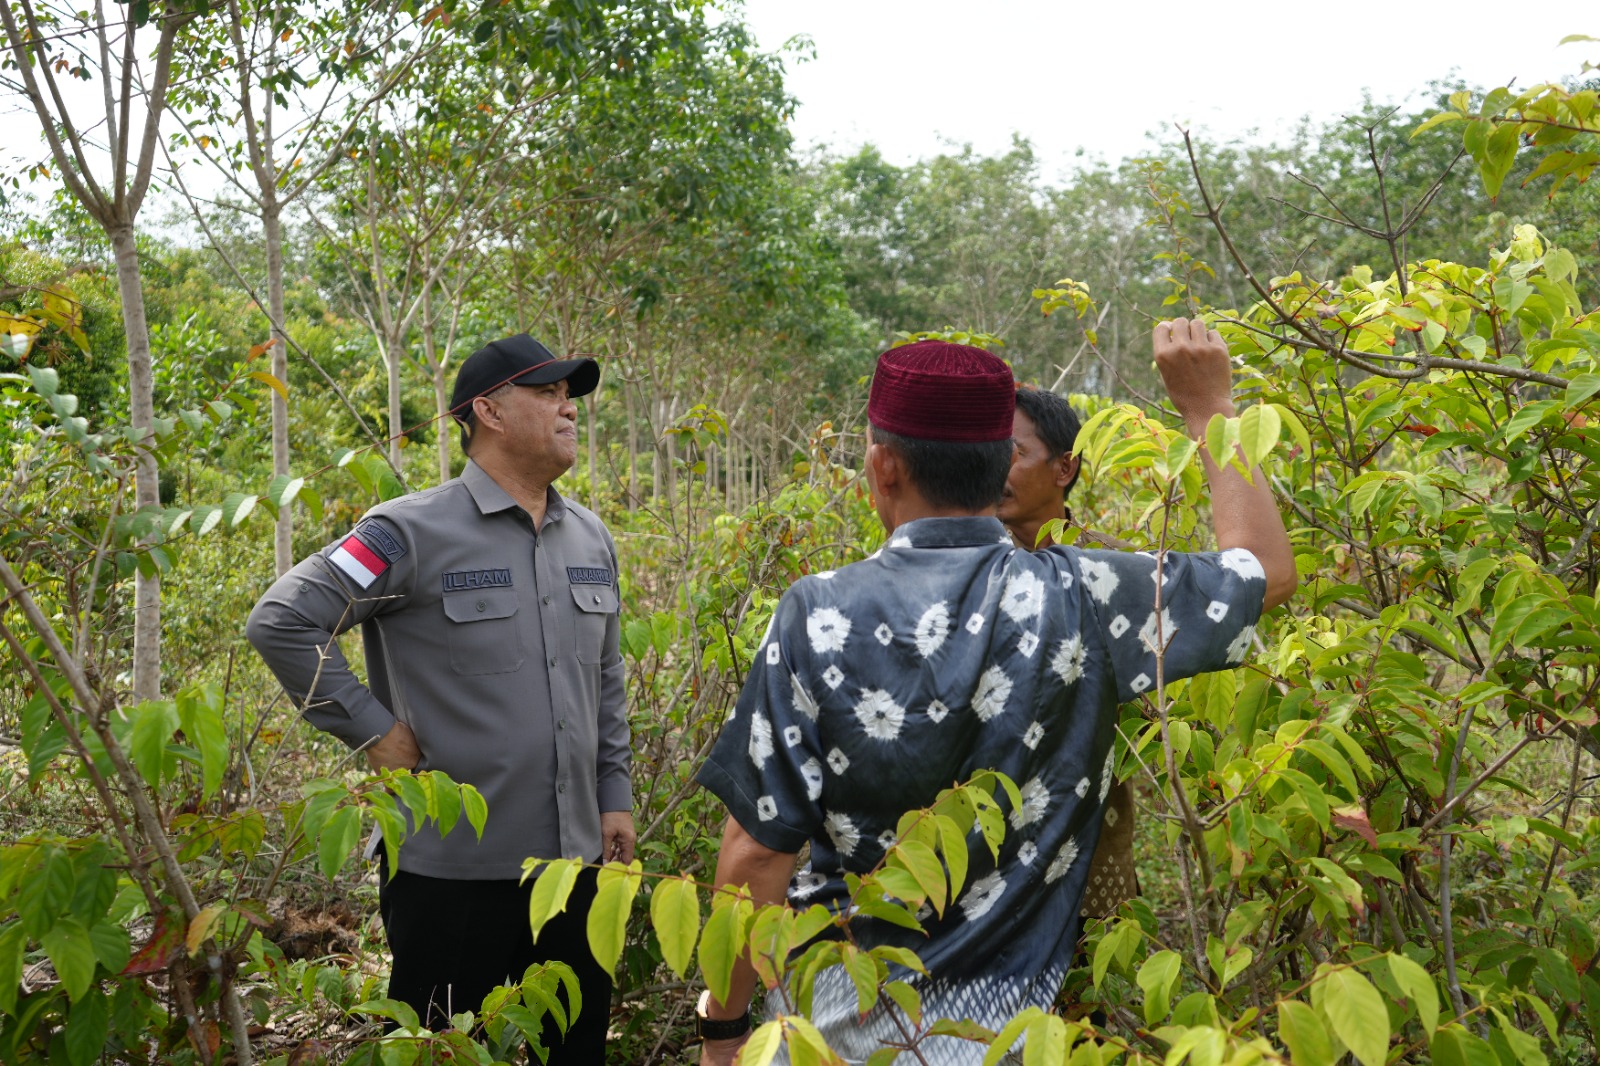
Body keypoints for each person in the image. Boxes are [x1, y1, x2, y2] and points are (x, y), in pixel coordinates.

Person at [692, 320, 1296, 1064]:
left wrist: (724, 1029)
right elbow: (1265, 568)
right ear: (999, 464)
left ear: (883, 468)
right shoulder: (1089, 597)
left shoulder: (815, 613)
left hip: (827, 1027)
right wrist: (1209, 408)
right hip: (1013, 1034)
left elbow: (755, 854)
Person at [246, 333, 633, 1063]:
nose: (567, 406)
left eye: (570, 394)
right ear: (487, 409)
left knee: (575, 1052)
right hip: (450, 877)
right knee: (442, 1051)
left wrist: (614, 794)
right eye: (546, 392)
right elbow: (282, 621)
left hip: (574, 874)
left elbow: (605, 681)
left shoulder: (590, 538)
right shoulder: (407, 532)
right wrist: (374, 733)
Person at [997, 387, 1138, 927]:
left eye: (1014, 452)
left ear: (1065, 468)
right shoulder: (967, 567)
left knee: (1089, 993)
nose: (997, 469)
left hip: (1090, 836)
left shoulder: (1116, 570)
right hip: (988, 848)